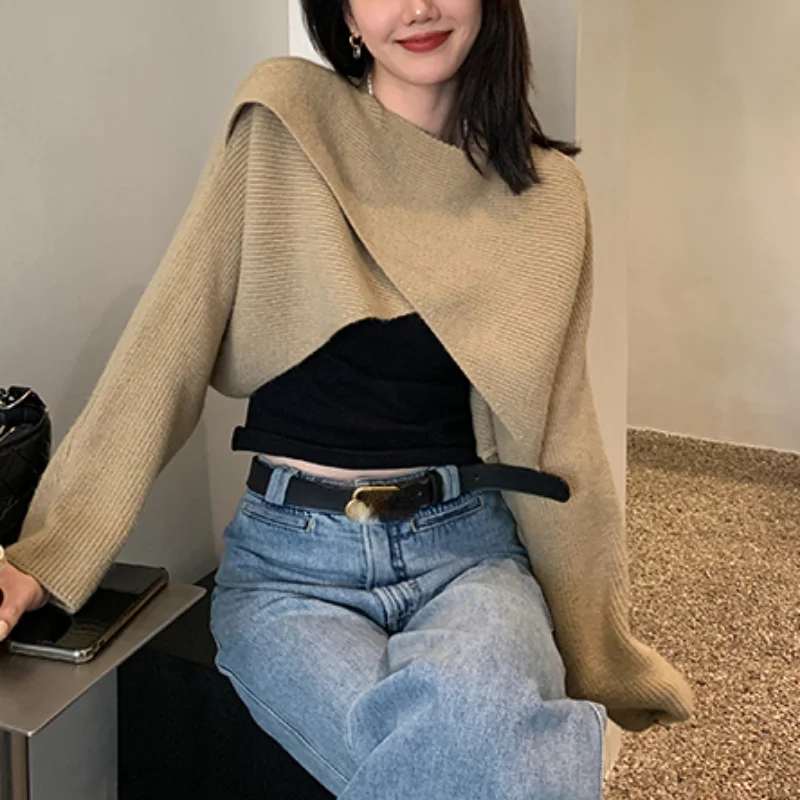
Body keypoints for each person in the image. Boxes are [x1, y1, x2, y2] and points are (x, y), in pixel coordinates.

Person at [0, 1, 694, 797]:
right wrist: (47, 555)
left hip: (468, 554)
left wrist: (601, 647)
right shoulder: (285, 123)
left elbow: (559, 439)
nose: (419, 6)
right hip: (291, 569)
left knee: (477, 734)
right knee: (492, 763)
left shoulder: (546, 197)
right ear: (347, 17)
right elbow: (165, 348)